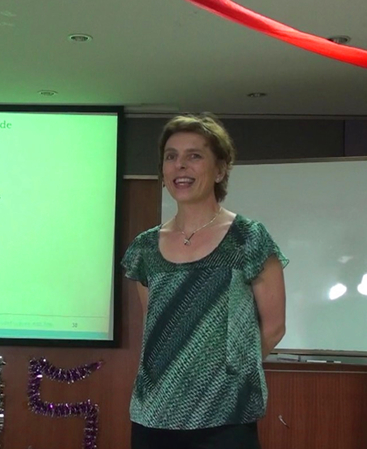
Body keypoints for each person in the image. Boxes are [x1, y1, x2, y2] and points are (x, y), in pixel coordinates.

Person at [121, 113, 289, 449]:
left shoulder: (248, 238)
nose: (180, 166)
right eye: (171, 157)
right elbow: (156, 333)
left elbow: (273, 328)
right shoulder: (145, 248)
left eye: (194, 156)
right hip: (153, 416)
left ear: (220, 170)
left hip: (226, 419)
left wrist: (223, 380)